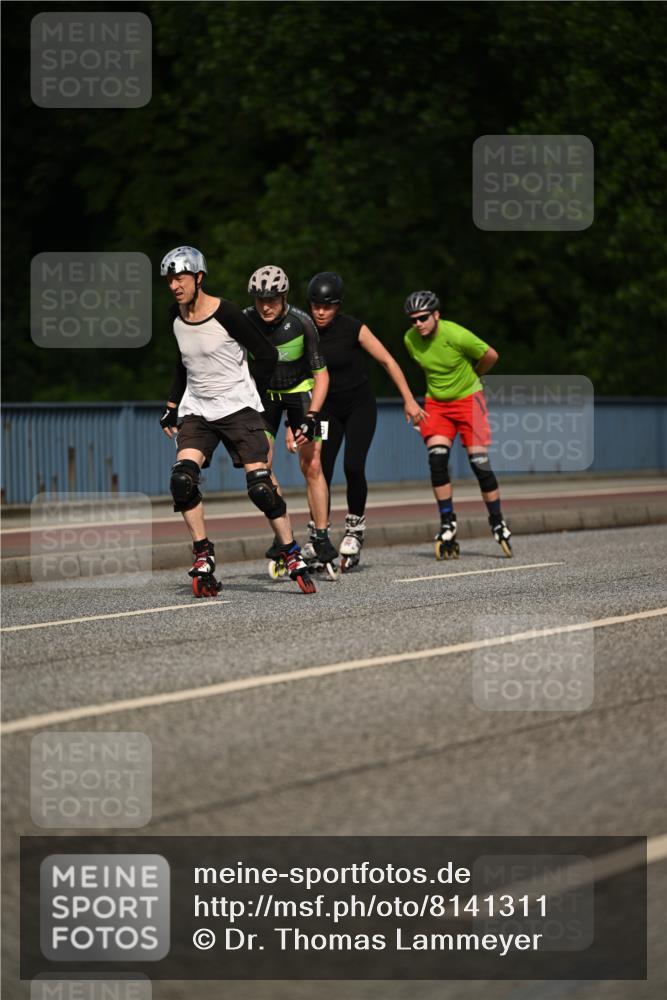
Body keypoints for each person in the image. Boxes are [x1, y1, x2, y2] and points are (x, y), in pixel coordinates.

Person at [158, 246, 316, 595]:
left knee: (260, 485)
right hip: (198, 410)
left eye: (181, 277)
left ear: (199, 278)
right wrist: (172, 404)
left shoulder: (227, 313)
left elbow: (267, 354)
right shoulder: (176, 317)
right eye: (169, 279)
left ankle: (289, 551)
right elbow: (183, 363)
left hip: (238, 408)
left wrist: (252, 394)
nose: (174, 285)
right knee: (182, 480)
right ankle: (203, 555)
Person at [298, 271, 427, 571]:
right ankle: (318, 536)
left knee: (353, 465)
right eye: (316, 305)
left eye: (327, 306)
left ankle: (355, 530)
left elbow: (387, 361)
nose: (320, 311)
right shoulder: (304, 330)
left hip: (359, 406)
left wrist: (408, 399)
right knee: (321, 470)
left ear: (338, 306)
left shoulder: (353, 328)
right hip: (326, 410)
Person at [403, 290, 512, 558]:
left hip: (468, 400)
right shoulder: (410, 340)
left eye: (424, 317)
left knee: (479, 464)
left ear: (437, 315)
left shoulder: (456, 335)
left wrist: (473, 375)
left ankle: (497, 521)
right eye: (413, 319)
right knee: (437, 460)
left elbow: (491, 355)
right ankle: (447, 522)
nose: (418, 323)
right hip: (438, 405)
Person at [243, 265, 338, 573]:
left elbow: (322, 376)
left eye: (272, 299)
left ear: (284, 297)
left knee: (312, 463)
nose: (265, 306)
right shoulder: (246, 321)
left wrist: (312, 417)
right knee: (261, 469)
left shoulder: (303, 322)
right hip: (267, 398)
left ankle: (321, 535)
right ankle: (282, 535)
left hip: (305, 396)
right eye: (260, 300)